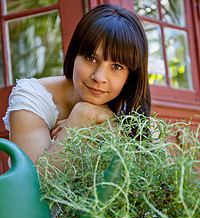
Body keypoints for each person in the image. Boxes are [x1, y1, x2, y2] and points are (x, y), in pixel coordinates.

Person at [3, 4, 151, 167]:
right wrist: (80, 119)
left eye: (116, 66)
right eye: (91, 58)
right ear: (74, 55)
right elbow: (34, 185)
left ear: (130, 76)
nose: (99, 77)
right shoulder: (32, 97)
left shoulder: (132, 112)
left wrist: (114, 128)